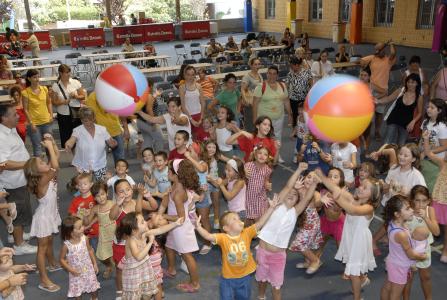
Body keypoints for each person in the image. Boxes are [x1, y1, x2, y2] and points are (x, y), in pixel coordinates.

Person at [194, 191, 280, 300]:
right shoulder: (223, 238)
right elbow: (207, 236)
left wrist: (271, 208)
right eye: (234, 219)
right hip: (228, 279)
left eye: (238, 218)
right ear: (226, 228)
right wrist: (198, 227)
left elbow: (260, 223)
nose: (239, 220)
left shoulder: (247, 233)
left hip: (245, 277)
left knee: (243, 297)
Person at [316, 169, 381, 300]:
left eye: (365, 188)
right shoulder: (353, 198)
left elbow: (352, 210)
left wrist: (338, 197)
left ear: (372, 195)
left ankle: (357, 297)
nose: (361, 188)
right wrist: (322, 177)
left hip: (359, 240)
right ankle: (363, 278)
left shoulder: (368, 208)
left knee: (353, 273)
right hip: (350, 236)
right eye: (361, 185)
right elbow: (334, 187)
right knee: (354, 264)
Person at [257, 164, 318, 300]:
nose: (291, 194)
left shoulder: (295, 212)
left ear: (298, 201)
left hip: (278, 256)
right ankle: (261, 296)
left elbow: (307, 197)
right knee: (261, 279)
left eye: (295, 195)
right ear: (282, 197)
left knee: (276, 285)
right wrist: (299, 170)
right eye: (289, 193)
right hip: (263, 251)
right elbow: (288, 186)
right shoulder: (277, 205)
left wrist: (314, 183)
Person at [23, 134, 62, 292]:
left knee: (50, 241)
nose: (44, 162)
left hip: (51, 214)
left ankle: (52, 262)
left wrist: (52, 143)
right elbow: (56, 165)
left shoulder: (45, 174)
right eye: (40, 162)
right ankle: (44, 280)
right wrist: (48, 147)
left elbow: (55, 158)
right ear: (35, 170)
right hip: (43, 218)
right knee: (42, 248)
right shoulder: (42, 180)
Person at [109, 180, 158, 299]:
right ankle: (120, 292)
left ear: (132, 190)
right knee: (121, 270)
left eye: (128, 189)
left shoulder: (136, 202)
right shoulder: (118, 207)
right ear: (116, 194)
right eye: (121, 191)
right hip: (121, 244)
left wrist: (146, 194)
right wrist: (117, 203)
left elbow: (154, 206)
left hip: (137, 243)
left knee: (138, 267)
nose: (125, 193)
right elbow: (112, 216)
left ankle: (139, 288)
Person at [158, 159, 200, 293]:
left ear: (176, 174)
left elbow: (181, 218)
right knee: (169, 245)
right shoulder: (176, 186)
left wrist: (163, 216)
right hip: (174, 227)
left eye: (169, 170)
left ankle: (195, 283)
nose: (167, 172)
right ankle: (171, 269)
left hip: (181, 228)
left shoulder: (178, 193)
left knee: (187, 255)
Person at [0, 104, 37, 255]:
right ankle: (19, 244)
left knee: (19, 211)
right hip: (12, 183)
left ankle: (16, 235)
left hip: (19, 179)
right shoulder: (1, 137)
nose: (18, 116)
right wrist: (28, 164)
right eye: (14, 114)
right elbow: (3, 164)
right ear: (4, 118)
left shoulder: (11, 130)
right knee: (17, 211)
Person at [380, 195, 427, 300]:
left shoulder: (393, 223)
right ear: (397, 214)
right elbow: (410, 254)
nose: (411, 210)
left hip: (393, 262)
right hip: (400, 266)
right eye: (407, 209)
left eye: (410, 207)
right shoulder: (401, 234)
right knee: (396, 293)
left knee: (388, 287)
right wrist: (421, 257)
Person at [403, 185, 439, 300]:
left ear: (428, 201)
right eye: (417, 200)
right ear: (412, 200)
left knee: (426, 277)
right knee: (408, 278)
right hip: (408, 250)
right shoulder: (407, 211)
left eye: (424, 201)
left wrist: (426, 218)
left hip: (424, 251)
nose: (421, 204)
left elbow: (437, 232)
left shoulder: (430, 210)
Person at [64, 107, 118, 181]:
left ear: (94, 118)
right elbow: (72, 140)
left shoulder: (102, 129)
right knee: (86, 187)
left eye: (90, 120)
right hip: (84, 166)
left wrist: (114, 143)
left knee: (101, 188)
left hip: (100, 164)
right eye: (85, 121)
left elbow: (111, 143)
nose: (88, 123)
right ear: (81, 120)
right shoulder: (77, 130)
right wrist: (69, 144)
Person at [253, 65, 292, 162]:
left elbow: (286, 101)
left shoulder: (282, 86)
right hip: (264, 119)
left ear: (277, 75)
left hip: (279, 116)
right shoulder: (261, 86)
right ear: (267, 74)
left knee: (277, 136)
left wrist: (290, 114)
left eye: (274, 74)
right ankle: (263, 157)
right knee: (264, 138)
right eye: (269, 73)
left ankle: (276, 155)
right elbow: (255, 104)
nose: (272, 76)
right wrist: (255, 119)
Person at [289, 171, 324, 274]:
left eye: (314, 179)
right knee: (306, 244)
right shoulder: (299, 189)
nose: (310, 180)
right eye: (309, 177)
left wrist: (322, 201)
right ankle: (308, 261)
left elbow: (317, 202)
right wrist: (295, 189)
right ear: (304, 177)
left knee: (300, 244)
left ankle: (315, 260)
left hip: (311, 224)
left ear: (316, 183)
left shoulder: (315, 193)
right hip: (302, 222)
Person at [360, 40, 397, 139]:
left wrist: (391, 43)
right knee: (367, 113)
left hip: (383, 91)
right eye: (376, 50)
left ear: (384, 50)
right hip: (371, 89)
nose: (377, 52)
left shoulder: (389, 60)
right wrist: (363, 63)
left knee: (379, 114)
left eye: (379, 50)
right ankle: (365, 132)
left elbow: (393, 53)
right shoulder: (372, 58)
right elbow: (361, 61)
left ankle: (377, 132)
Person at [118, 213, 158, 299]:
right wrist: (150, 242)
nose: (146, 222)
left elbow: (160, 230)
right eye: (142, 222)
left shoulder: (142, 234)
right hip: (133, 272)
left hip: (143, 268)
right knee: (135, 295)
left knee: (146, 292)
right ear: (134, 230)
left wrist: (175, 224)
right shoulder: (131, 241)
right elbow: (138, 257)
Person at [377, 73, 424, 146]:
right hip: (393, 119)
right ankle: (382, 156)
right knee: (387, 141)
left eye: (413, 82)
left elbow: (420, 113)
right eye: (408, 82)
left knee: (401, 144)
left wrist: (413, 122)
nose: (410, 84)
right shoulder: (400, 91)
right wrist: (378, 101)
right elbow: (388, 98)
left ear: (417, 83)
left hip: (406, 123)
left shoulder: (419, 97)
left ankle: (396, 157)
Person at [59, 216, 100, 299]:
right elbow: (62, 259)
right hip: (76, 272)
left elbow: (90, 250)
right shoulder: (66, 245)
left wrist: (95, 263)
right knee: (77, 291)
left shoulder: (85, 239)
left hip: (88, 269)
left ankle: (94, 298)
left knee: (94, 287)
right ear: (70, 232)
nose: (83, 228)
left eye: (82, 225)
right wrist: (70, 269)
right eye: (79, 227)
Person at [422, 130, 447, 262]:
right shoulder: (443, 164)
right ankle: (425, 242)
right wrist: (426, 139)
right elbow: (428, 153)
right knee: (431, 221)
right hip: (438, 199)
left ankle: (445, 250)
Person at [83, 181, 115, 279]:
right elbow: (87, 222)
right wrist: (84, 216)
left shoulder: (113, 204)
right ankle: (109, 265)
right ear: (94, 197)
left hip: (115, 233)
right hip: (104, 236)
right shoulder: (95, 209)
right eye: (97, 196)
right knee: (101, 255)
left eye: (102, 194)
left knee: (118, 253)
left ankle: (119, 269)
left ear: (107, 193)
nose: (101, 198)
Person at [86, 92, 129, 162]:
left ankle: (120, 173)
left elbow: (122, 113)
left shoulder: (116, 94)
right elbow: (91, 117)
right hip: (100, 134)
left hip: (116, 131)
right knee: (100, 161)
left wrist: (126, 129)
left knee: (120, 159)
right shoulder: (93, 96)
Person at [51, 64, 86, 147]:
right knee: (66, 138)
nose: (69, 74)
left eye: (69, 72)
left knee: (79, 137)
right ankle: (71, 158)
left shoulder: (75, 82)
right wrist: (63, 102)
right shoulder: (55, 86)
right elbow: (54, 102)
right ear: (60, 73)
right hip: (63, 115)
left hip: (76, 114)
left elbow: (83, 96)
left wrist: (76, 96)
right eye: (66, 73)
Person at [21, 69, 53, 157]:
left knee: (49, 146)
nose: (37, 79)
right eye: (35, 77)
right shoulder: (25, 92)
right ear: (29, 79)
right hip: (34, 124)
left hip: (46, 122)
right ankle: (38, 168)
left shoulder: (45, 89)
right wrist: (31, 123)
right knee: (37, 146)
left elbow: (49, 102)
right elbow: (25, 109)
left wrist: (51, 114)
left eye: (38, 77)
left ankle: (51, 165)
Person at [420, 98, 447, 192]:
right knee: (422, 181)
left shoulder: (442, 127)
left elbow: (444, 146)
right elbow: (422, 139)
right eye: (428, 107)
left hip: (435, 160)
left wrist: (428, 152)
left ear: (439, 111)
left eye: (432, 108)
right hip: (424, 156)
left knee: (431, 184)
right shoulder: (425, 122)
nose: (428, 109)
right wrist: (420, 150)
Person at [67, 173, 99, 252]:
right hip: (82, 232)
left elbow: (101, 211)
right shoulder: (75, 200)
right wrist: (78, 214)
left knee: (97, 249)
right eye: (80, 185)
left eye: (85, 184)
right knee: (85, 250)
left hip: (96, 229)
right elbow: (71, 213)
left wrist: (91, 212)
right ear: (77, 186)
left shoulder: (95, 198)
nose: (82, 186)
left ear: (91, 184)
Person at [244, 146, 273, 225]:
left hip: (259, 197)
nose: (262, 156)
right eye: (260, 153)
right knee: (247, 220)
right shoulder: (248, 166)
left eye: (265, 154)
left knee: (259, 221)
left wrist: (267, 185)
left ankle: (258, 233)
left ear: (267, 158)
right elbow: (242, 181)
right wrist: (244, 175)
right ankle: (246, 234)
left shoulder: (267, 169)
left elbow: (266, 181)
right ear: (255, 155)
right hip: (248, 197)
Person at [136, 81, 164, 152]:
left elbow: (149, 102)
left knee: (148, 141)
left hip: (140, 122)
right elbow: (149, 109)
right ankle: (159, 157)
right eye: (153, 86)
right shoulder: (148, 96)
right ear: (150, 86)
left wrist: (155, 95)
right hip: (148, 122)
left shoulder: (142, 95)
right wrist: (153, 123)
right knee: (159, 139)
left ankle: (144, 160)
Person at [285, 57, 313, 129]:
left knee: (305, 114)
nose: (291, 67)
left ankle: (307, 129)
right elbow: (286, 86)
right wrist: (285, 96)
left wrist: (311, 94)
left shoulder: (307, 72)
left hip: (305, 98)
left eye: (292, 66)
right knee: (295, 114)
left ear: (297, 65)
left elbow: (311, 84)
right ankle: (295, 131)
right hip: (293, 99)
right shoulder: (290, 74)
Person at [179, 66, 206, 139]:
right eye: (188, 74)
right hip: (188, 116)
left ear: (195, 75)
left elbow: (203, 103)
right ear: (184, 75)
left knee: (202, 138)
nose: (190, 77)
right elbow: (183, 106)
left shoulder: (198, 86)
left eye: (192, 74)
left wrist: (201, 117)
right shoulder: (182, 87)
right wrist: (191, 120)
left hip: (199, 115)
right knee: (192, 138)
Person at [241, 58, 263, 132]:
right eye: (255, 64)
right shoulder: (247, 76)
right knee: (250, 125)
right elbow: (242, 89)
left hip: (258, 104)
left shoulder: (260, 75)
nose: (257, 66)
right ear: (251, 65)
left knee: (258, 123)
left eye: (259, 64)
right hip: (250, 105)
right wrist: (246, 101)